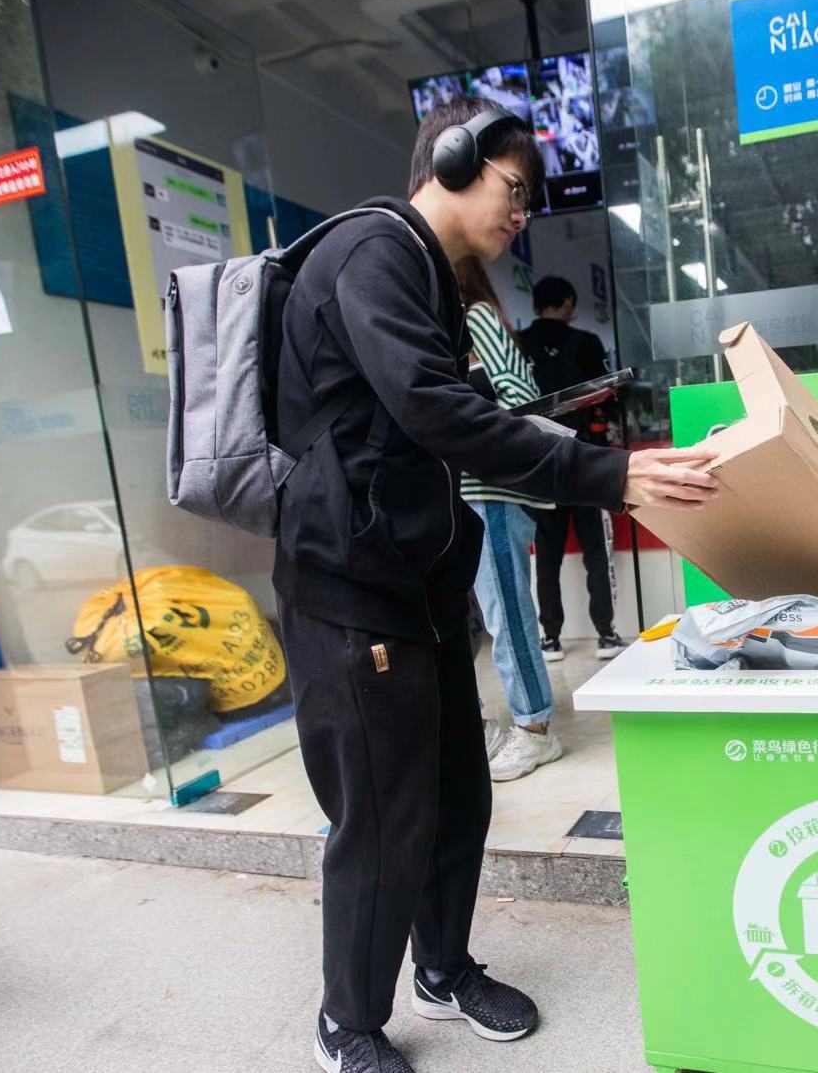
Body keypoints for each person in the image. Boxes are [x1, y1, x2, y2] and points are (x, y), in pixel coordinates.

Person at [274, 95, 717, 1073]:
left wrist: (575, 439)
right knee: (380, 818)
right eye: (515, 190)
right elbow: (434, 410)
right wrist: (612, 474)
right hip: (349, 589)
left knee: (456, 797)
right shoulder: (374, 252)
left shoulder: (437, 279)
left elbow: (459, 410)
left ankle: (439, 966)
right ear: (454, 157)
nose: (522, 214)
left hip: (421, 584)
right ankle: (347, 1018)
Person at [453, 256, 563, 782]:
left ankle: (535, 729)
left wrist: (467, 404)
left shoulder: (475, 317)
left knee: (507, 615)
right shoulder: (450, 322)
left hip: (490, 491)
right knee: (473, 619)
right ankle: (488, 724)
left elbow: (521, 401)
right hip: (460, 493)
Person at [516, 276, 624, 663]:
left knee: (547, 553)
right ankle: (606, 634)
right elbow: (609, 399)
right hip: (585, 460)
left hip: (540, 460)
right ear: (566, 303)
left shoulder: (519, 343)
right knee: (595, 548)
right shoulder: (586, 343)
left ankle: (551, 638)